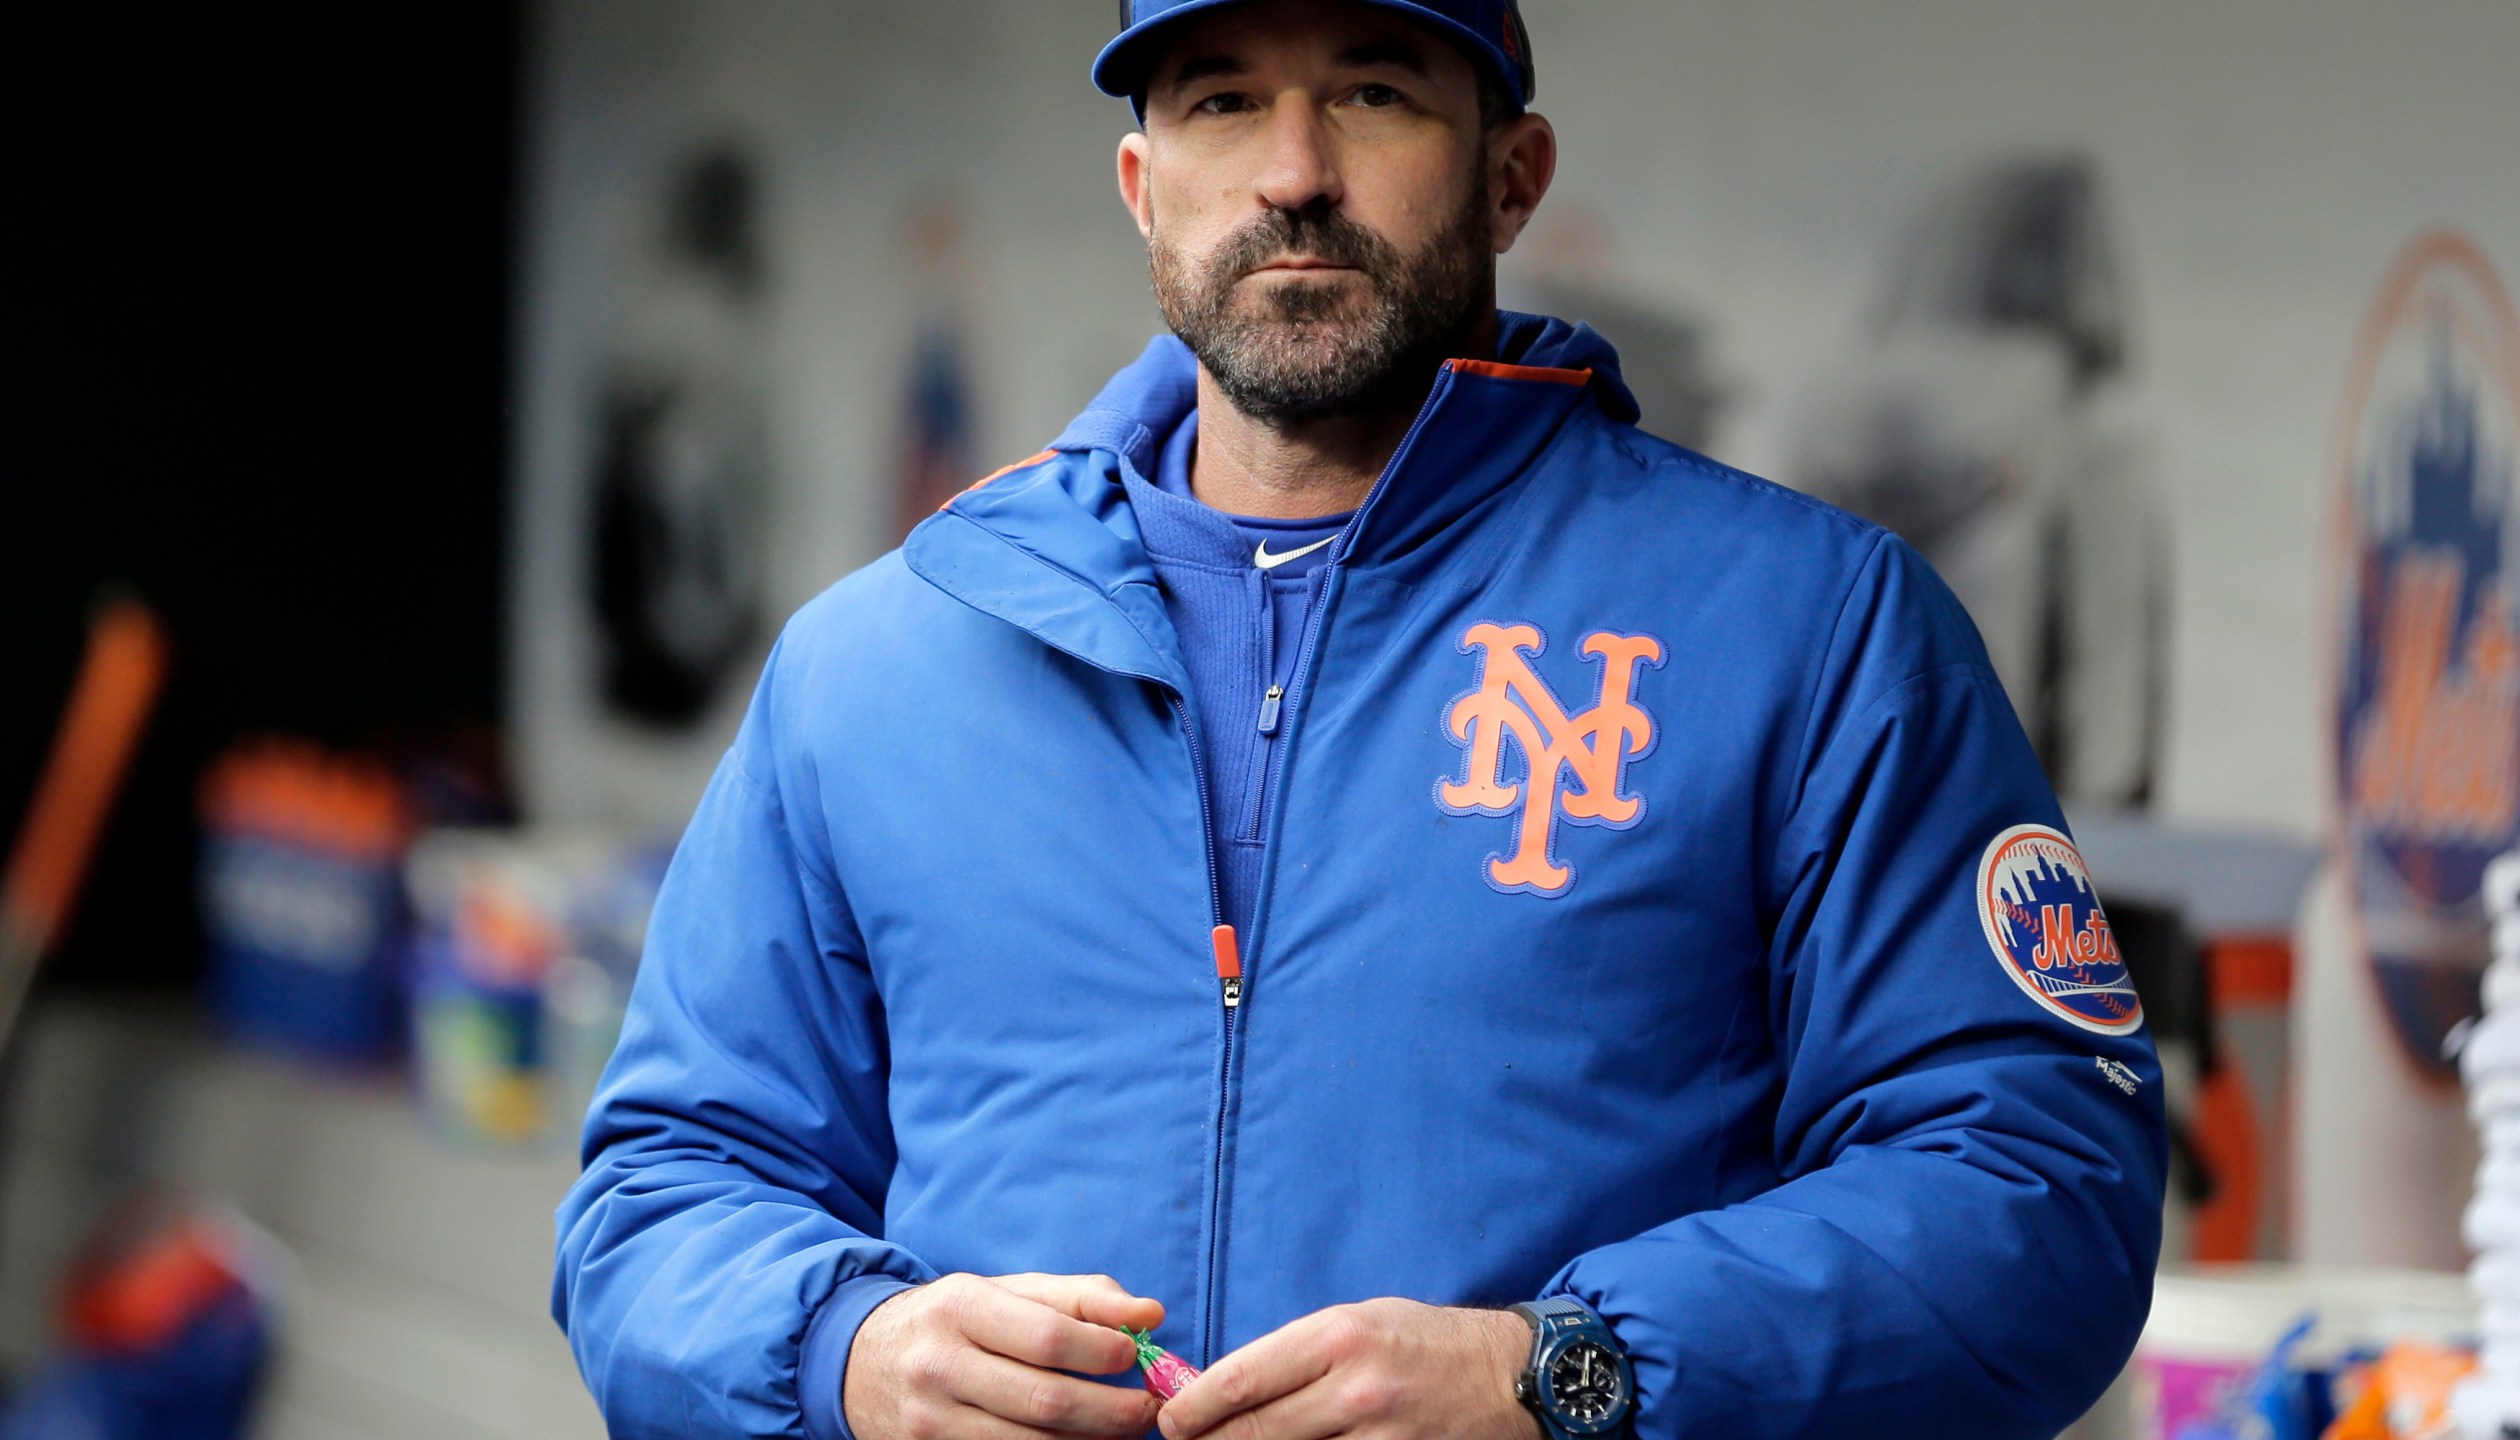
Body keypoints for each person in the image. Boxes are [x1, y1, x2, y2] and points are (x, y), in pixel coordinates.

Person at [551, 2, 2168, 1438]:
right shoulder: (889, 659)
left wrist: (1567, 1375)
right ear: (1142, 187)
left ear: (1512, 175)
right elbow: (658, 1198)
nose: (1294, 171)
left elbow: (2038, 1191)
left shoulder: (1807, 630)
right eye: (1219, 100)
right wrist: (848, 1349)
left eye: (1377, 92)